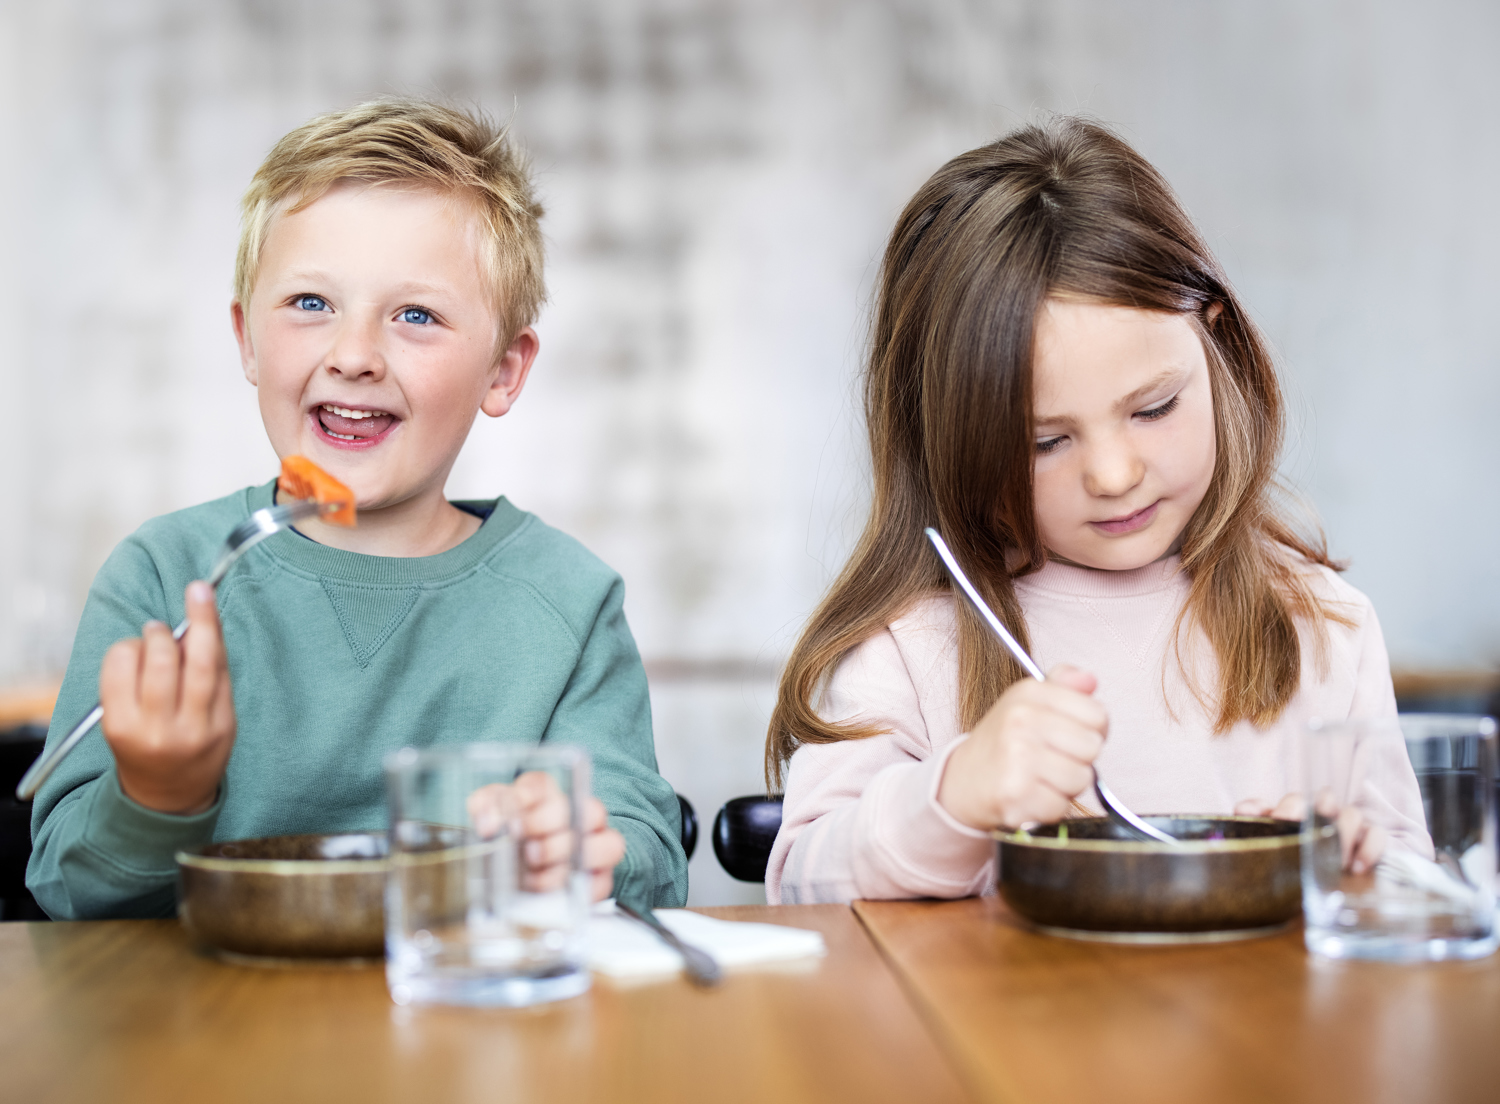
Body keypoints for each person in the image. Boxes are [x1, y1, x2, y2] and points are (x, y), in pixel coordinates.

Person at [29, 99, 687, 918]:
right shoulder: (162, 577)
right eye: (311, 304)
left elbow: (652, 859)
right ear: (247, 341)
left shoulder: (569, 600)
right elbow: (60, 889)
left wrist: (583, 848)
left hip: (470, 1023)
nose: (353, 356)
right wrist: (158, 793)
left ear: (504, 372)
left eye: (416, 316)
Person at [765, 118, 1424, 905]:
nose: (1113, 475)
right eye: (1045, 442)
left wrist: (1359, 869)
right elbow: (805, 883)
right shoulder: (909, 646)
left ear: (1214, 344)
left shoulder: (1326, 628)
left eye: (1153, 409)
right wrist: (951, 799)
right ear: (951, 442)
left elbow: (1421, 889)